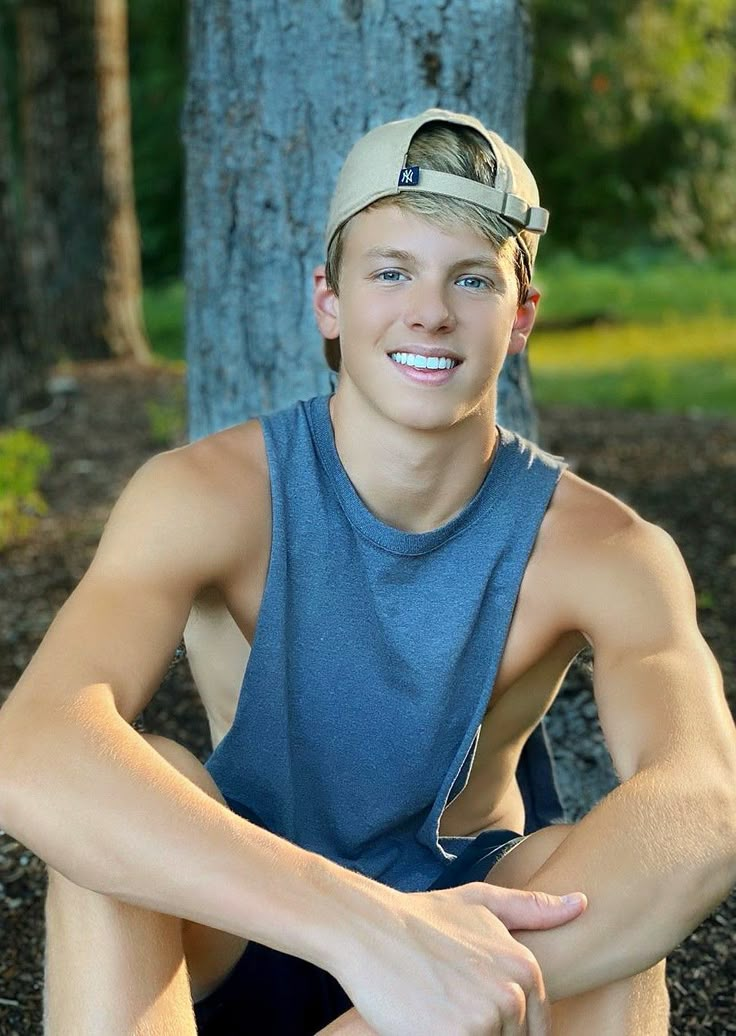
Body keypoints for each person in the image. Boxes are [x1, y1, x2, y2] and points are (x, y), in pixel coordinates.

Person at [0, 108, 734, 1036]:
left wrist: (432, 990)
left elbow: (705, 804)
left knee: (583, 887)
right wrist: (371, 935)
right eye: (392, 272)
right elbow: (30, 748)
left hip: (472, 944)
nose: (429, 310)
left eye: (472, 279)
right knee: (133, 788)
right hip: (243, 917)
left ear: (523, 317)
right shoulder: (204, 495)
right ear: (329, 301)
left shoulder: (606, 550)